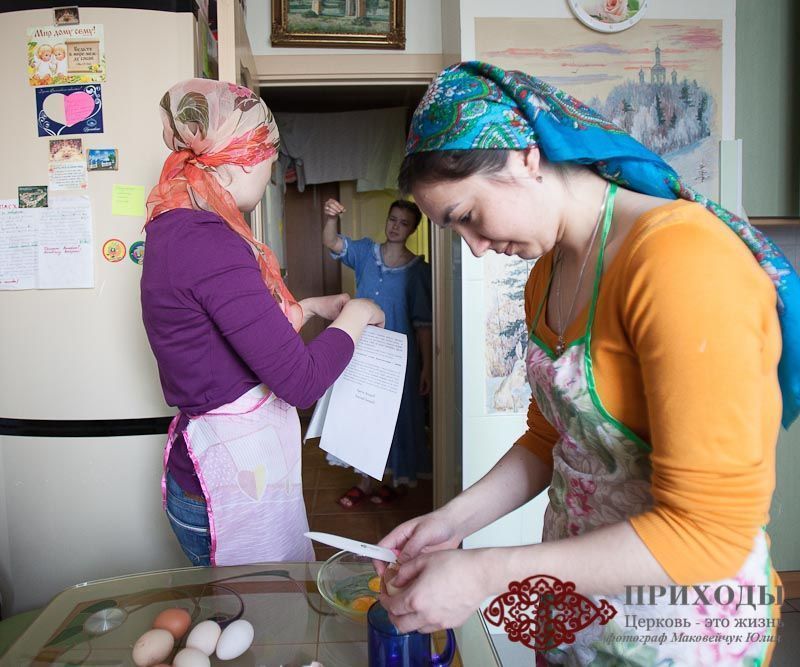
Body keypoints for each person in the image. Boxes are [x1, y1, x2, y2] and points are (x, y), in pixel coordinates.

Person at [375, 61, 800, 666]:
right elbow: (551, 438)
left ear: (525, 158)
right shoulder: (547, 274)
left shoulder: (682, 261)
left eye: (466, 217)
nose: (475, 248)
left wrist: (484, 573)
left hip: (680, 627)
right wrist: (452, 521)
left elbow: (709, 533)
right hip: (579, 607)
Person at [140, 79, 384, 567]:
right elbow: (301, 382)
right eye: (270, 166)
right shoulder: (210, 240)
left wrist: (308, 308)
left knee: (249, 604)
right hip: (225, 485)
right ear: (240, 164)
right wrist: (358, 314)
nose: (270, 179)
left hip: (212, 468)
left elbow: (221, 338)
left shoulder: (175, 228)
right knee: (262, 601)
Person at [322, 198, 433, 507]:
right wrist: (330, 217)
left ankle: (392, 480)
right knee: (363, 414)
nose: (396, 226)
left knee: (396, 417)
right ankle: (364, 482)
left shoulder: (418, 271)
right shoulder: (365, 253)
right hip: (363, 350)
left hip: (399, 357)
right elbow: (331, 241)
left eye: (404, 223)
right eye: (392, 219)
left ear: (412, 229)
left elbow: (423, 324)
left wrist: (426, 367)